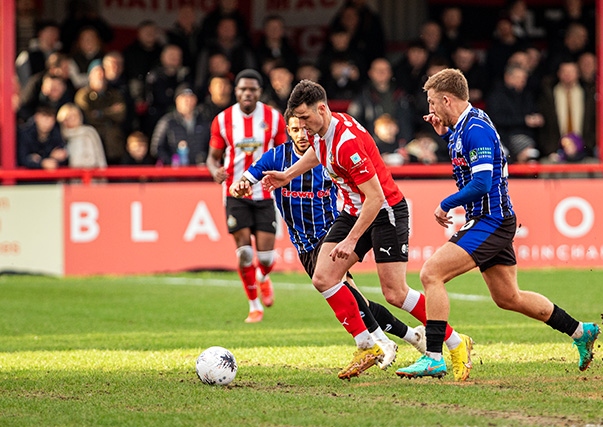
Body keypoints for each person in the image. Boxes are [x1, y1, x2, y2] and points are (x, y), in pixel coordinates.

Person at [395, 68, 600, 380]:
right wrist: (443, 133)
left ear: (447, 100)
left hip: (490, 220)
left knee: (431, 273)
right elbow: (465, 153)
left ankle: (434, 356)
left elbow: (481, 183)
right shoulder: (465, 126)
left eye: (433, 103)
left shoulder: (475, 129)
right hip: (493, 220)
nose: (430, 110)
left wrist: (446, 203)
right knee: (508, 298)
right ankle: (580, 331)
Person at [262, 80, 473, 381]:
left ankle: (455, 341)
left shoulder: (346, 141)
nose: (303, 127)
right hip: (353, 211)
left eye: (306, 118)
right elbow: (319, 153)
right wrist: (288, 174)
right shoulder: (322, 130)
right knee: (324, 277)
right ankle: (367, 344)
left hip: (385, 212)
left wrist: (350, 240)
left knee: (395, 293)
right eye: (299, 120)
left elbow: (375, 198)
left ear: (322, 109)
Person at [228, 108, 429, 370]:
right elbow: (247, 178)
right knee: (359, 302)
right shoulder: (277, 156)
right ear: (288, 131)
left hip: (330, 234)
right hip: (303, 244)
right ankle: (410, 336)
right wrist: (239, 185)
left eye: (305, 128)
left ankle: (378, 343)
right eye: (295, 129)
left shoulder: (325, 153)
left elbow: (361, 183)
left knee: (354, 296)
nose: (302, 134)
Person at [206, 69, 288, 324]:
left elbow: (285, 151)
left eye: (252, 89)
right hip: (234, 192)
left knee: (265, 258)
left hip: (265, 192)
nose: (247, 93)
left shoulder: (274, 118)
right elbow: (212, 157)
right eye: (243, 89)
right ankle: (254, 306)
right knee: (243, 253)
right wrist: (213, 171)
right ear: (236, 91)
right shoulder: (222, 120)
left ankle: (263, 278)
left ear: (259, 92)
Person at [151, 84, 210, 166]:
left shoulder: (204, 121)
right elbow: (156, 148)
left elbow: (211, 145)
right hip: (174, 174)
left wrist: (205, 159)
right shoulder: (167, 121)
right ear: (176, 100)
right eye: (183, 98)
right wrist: (171, 162)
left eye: (190, 97)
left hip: (199, 171)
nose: (187, 101)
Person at [56, 102, 107, 168]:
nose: (72, 119)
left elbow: (99, 155)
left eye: (75, 115)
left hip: (90, 172)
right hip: (71, 174)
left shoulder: (89, 132)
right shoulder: (59, 135)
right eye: (69, 117)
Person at [18, 105, 68, 170]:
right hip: (29, 177)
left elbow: (63, 159)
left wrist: (59, 157)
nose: (47, 123)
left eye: (50, 119)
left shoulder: (57, 134)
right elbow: (22, 159)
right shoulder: (25, 135)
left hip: (51, 177)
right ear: (36, 118)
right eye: (44, 118)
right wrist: (42, 163)